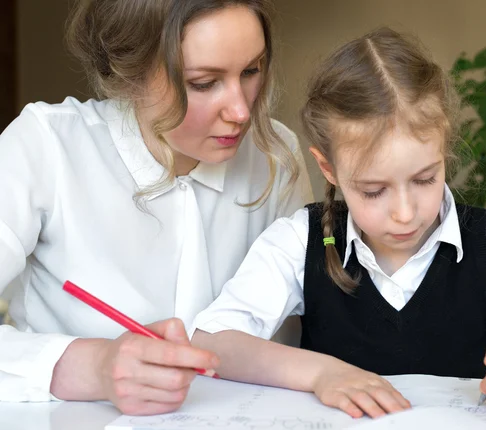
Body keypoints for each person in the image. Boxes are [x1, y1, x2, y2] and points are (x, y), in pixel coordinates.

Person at [190, 27, 486, 419]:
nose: (405, 213)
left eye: (425, 179)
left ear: (444, 149)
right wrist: (321, 373)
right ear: (328, 168)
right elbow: (211, 343)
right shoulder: (301, 241)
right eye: (373, 190)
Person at [0, 0, 312, 416]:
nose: (241, 111)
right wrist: (93, 367)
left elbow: (311, 328)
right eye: (204, 83)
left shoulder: (276, 155)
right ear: (130, 74)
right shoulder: (45, 147)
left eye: (251, 71)